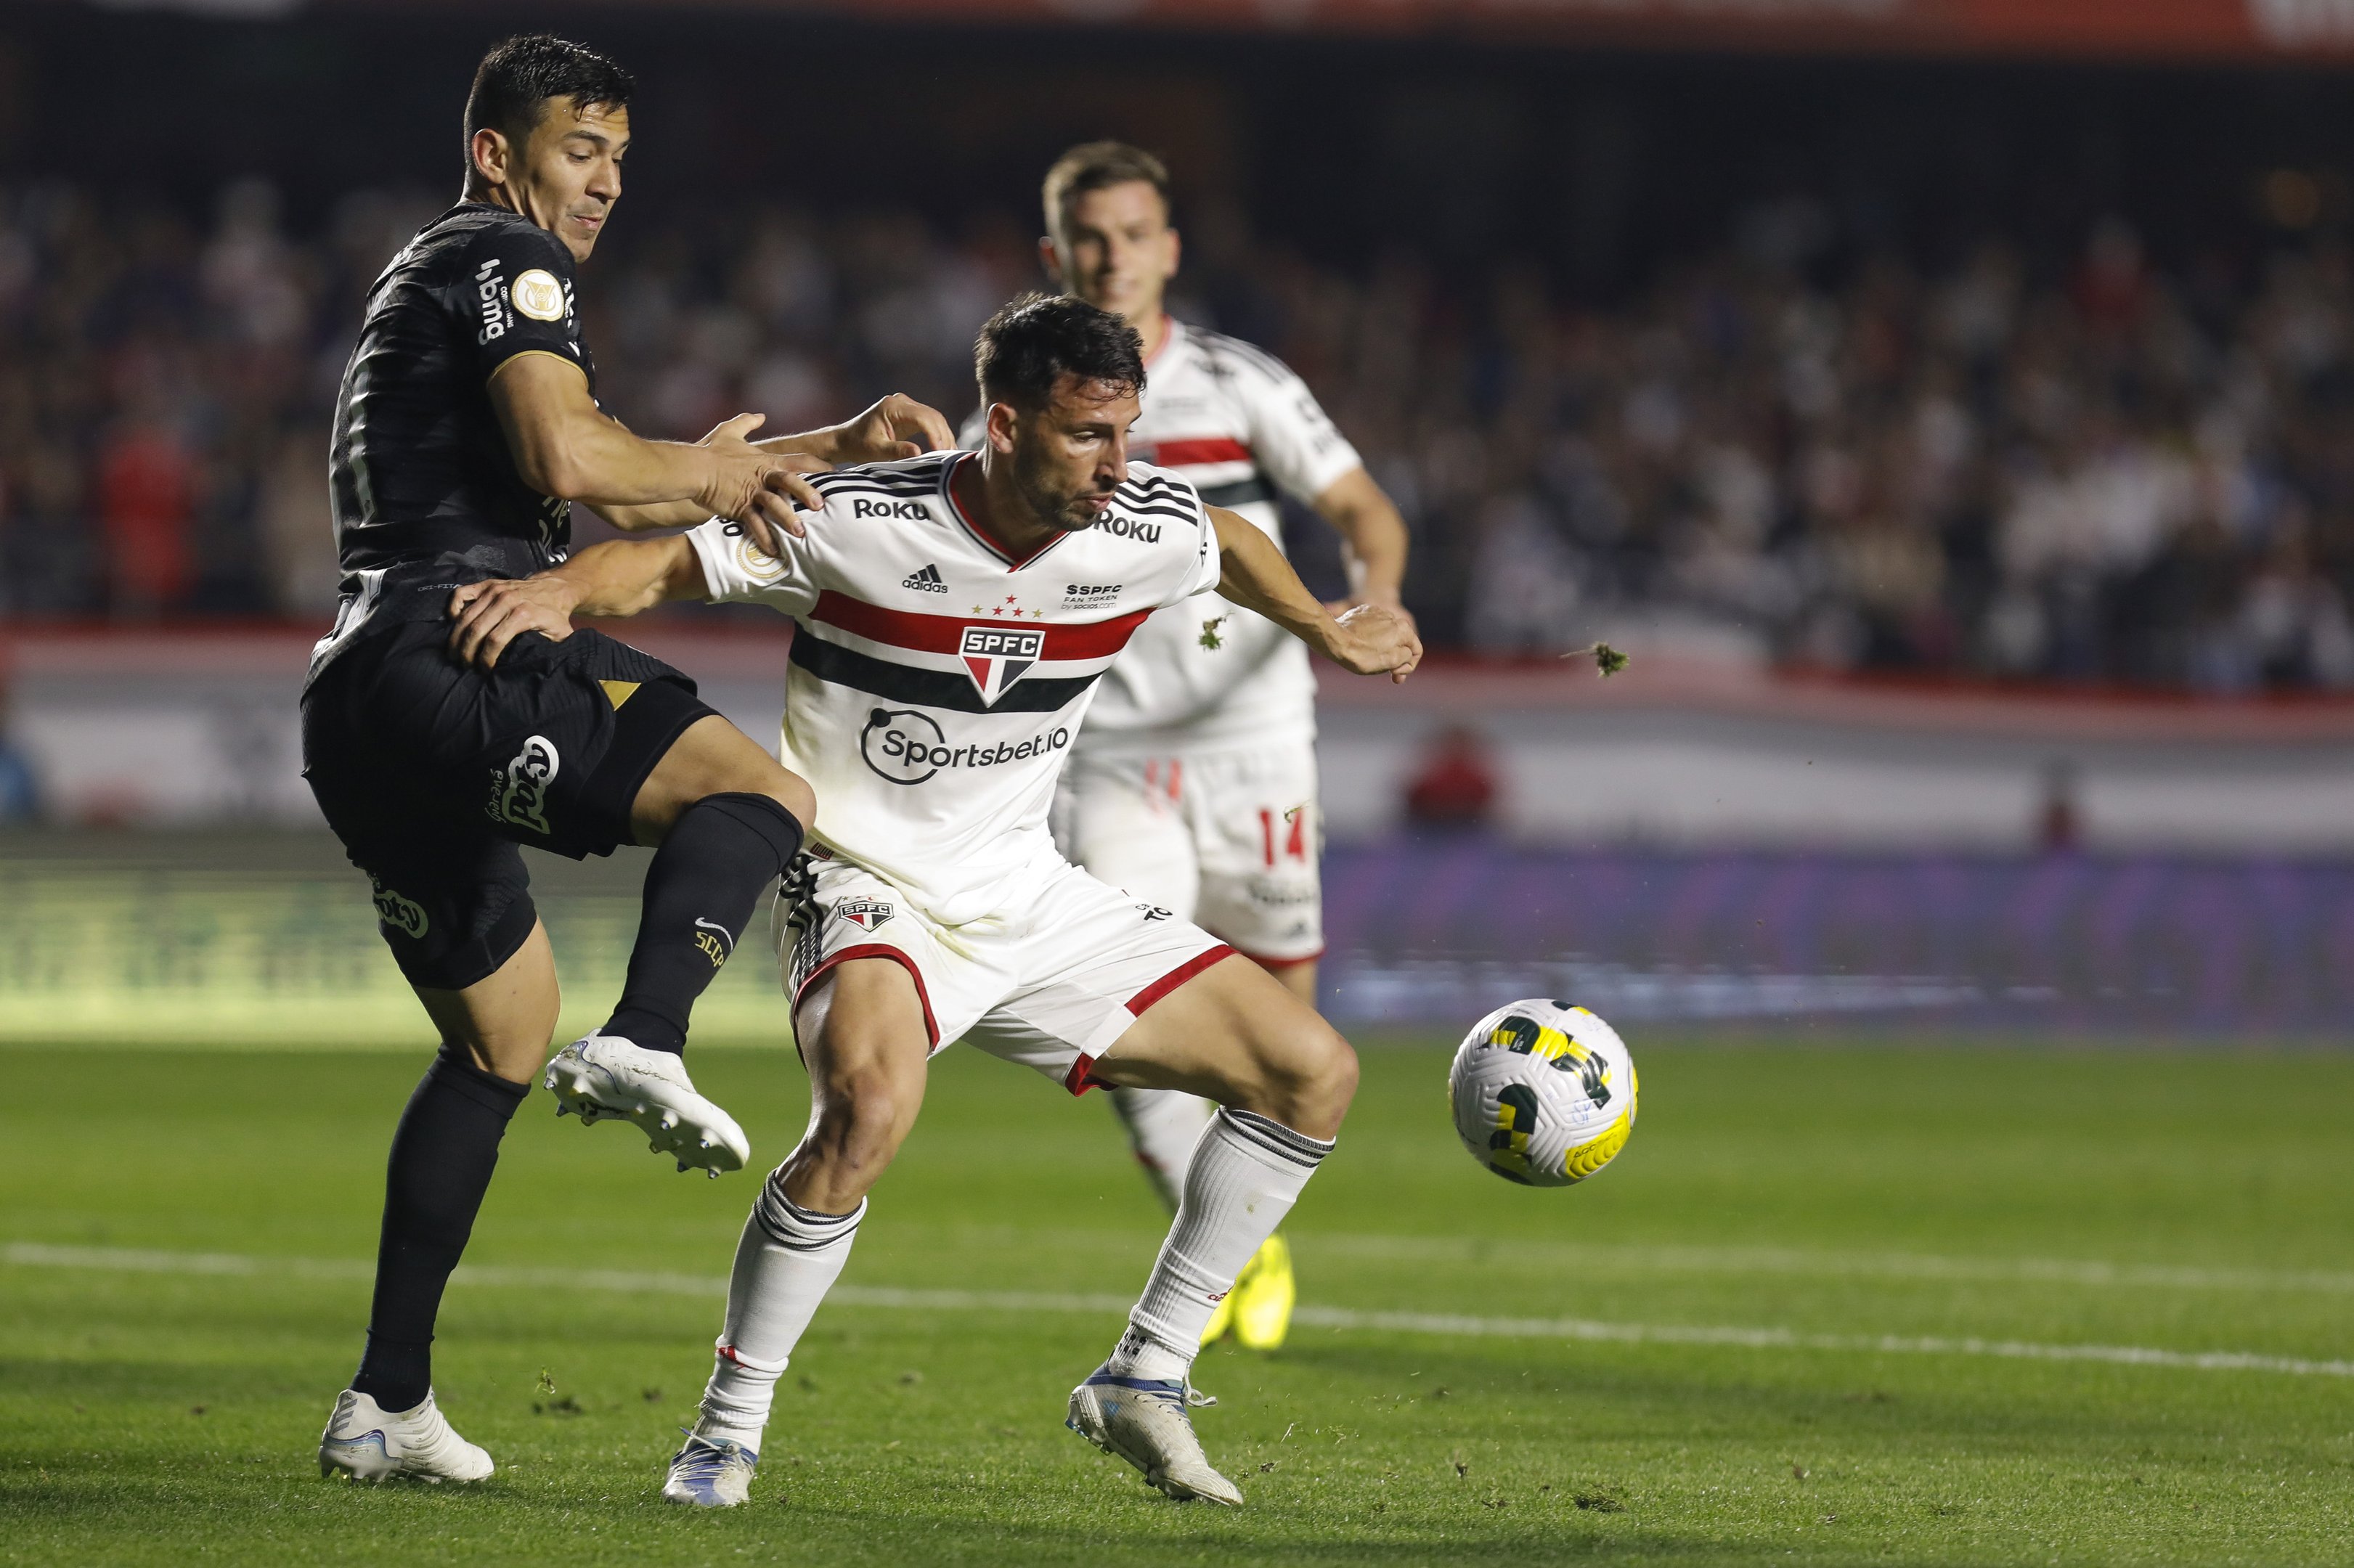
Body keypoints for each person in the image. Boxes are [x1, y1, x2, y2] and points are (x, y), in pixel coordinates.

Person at [449, 293, 1421, 1508]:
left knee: (1311, 1075)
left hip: (1027, 891)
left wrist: (1324, 626)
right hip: (866, 884)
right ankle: (724, 1434)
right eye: (1084, 437)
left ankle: (1146, 1376)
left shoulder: (1139, 519)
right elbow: (662, 563)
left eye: (1127, 434)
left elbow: (1220, 538)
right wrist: (557, 595)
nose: (1117, 467)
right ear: (1002, 425)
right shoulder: (856, 519)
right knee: (866, 1113)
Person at [305, 34, 951, 1485]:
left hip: (360, 693)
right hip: (454, 641)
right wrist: (719, 467)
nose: (603, 184)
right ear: (497, 152)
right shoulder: (503, 259)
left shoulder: (444, 277)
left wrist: (818, 444)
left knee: (496, 1045)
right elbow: (569, 464)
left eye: (618, 159)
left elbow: (599, 449)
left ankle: (386, 1405)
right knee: (761, 792)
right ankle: (650, 1034)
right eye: (580, 149)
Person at [960, 142, 1414, 1350]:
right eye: (1088, 238)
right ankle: (1232, 1258)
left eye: (1133, 233)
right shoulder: (1010, 412)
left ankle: (1229, 1237)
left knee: (1284, 1036)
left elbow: (1364, 511)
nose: (1112, 256)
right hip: (1109, 752)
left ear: (1170, 248)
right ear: (1056, 256)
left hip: (1255, 743)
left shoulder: (1237, 383)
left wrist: (1369, 602)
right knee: (1119, 1018)